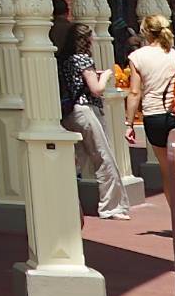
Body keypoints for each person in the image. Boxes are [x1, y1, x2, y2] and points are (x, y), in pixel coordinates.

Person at [56, 23, 130, 219]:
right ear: (85, 40)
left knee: (78, 159)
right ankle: (112, 207)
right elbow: (96, 89)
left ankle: (64, 199)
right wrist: (105, 76)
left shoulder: (64, 60)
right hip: (86, 109)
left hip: (70, 112)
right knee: (103, 156)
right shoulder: (83, 59)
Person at [127, 16, 175, 151]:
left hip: (154, 114)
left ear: (146, 32)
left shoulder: (137, 56)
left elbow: (135, 92)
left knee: (166, 165)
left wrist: (130, 124)